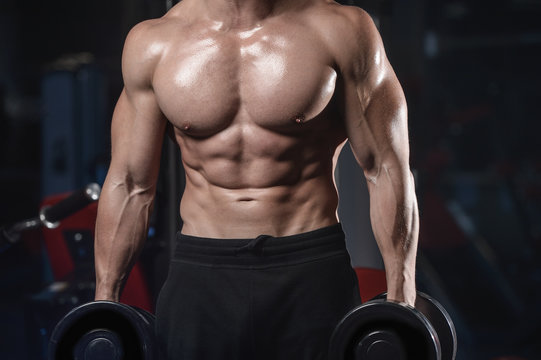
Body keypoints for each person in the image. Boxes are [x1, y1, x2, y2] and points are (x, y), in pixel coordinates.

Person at [94, 0, 419, 359]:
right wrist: (103, 303)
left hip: (308, 268)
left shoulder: (341, 29)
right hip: (202, 276)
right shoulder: (153, 43)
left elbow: (386, 168)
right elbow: (129, 185)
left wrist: (401, 298)